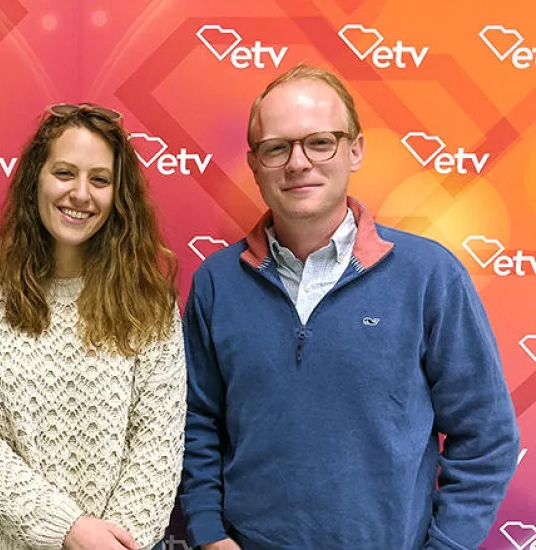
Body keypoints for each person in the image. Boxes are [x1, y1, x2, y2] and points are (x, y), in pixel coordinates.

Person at [180, 64, 520, 550]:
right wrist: (210, 534)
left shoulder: (428, 276)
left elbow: (486, 438)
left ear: (355, 149)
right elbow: (196, 423)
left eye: (320, 142)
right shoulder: (216, 283)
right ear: (254, 163)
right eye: (277, 148)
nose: (298, 163)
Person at [0, 103, 186, 550]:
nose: (80, 193)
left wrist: (113, 543)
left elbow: (158, 442)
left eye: (99, 179)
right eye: (64, 173)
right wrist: (68, 530)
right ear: (36, 178)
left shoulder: (149, 305)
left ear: (119, 196)